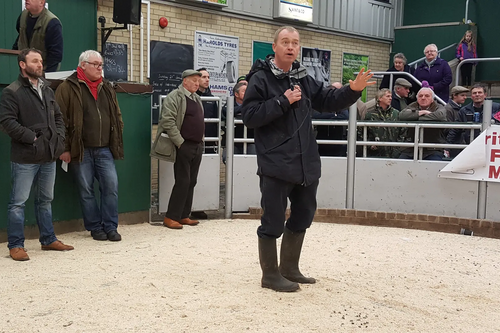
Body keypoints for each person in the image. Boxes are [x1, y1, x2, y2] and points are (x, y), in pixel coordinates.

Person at [240, 26, 374, 292]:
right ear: (275, 47)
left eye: (295, 43)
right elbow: (250, 116)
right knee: (273, 221)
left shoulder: (303, 77)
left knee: (303, 216)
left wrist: (352, 90)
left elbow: (327, 99)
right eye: (286, 42)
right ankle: (270, 275)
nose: (291, 47)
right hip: (276, 164)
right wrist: (282, 101)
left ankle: (289, 268)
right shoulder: (260, 79)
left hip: (306, 165)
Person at [0, 48, 73, 261]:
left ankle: (48, 239)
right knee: (18, 202)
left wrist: (58, 138)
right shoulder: (12, 91)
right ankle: (15, 245)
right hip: (25, 157)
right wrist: (32, 138)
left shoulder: (48, 90)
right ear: (23, 64)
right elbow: (7, 122)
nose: (40, 65)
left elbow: (58, 117)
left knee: (45, 200)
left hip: (49, 156)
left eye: (41, 61)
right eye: (35, 61)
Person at [55, 50, 124, 242]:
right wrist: (65, 148)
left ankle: (111, 226)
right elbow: (60, 119)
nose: (100, 68)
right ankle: (95, 227)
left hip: (104, 149)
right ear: (83, 65)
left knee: (111, 186)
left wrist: (116, 139)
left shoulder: (107, 87)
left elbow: (117, 116)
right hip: (80, 149)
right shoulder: (67, 87)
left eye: (101, 65)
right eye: (96, 64)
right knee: (86, 190)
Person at [151, 69, 204, 230]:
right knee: (183, 181)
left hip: (196, 145)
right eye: (193, 80)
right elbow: (168, 121)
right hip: (184, 145)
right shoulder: (175, 97)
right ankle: (171, 217)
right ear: (184, 81)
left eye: (198, 80)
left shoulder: (196, 98)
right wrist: (180, 142)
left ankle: (183, 215)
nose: (197, 83)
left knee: (191, 181)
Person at [192, 68, 218, 220]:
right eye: (203, 77)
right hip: (194, 141)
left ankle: (200, 206)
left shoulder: (212, 99)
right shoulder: (191, 97)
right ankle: (190, 207)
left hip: (208, 142)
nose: (207, 79)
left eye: (208, 77)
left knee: (205, 172)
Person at [12, 0, 63, 73]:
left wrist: (46, 76)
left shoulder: (52, 23)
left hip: (41, 72)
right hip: (23, 70)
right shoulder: (23, 16)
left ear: (42, 2)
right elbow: (20, 37)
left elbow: (55, 55)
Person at [399, 87, 447, 160]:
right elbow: (402, 115)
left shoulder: (439, 107)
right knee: (399, 166)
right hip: (410, 149)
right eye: (420, 96)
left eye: (427, 96)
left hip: (433, 149)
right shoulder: (412, 105)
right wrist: (422, 112)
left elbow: (440, 116)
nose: (423, 98)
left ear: (432, 99)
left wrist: (414, 118)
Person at [365, 89, 405, 158]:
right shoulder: (370, 114)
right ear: (380, 98)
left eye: (391, 96)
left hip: (394, 154)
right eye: (387, 96)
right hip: (375, 154)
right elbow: (363, 132)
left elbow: (403, 131)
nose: (390, 98)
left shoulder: (396, 113)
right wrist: (370, 145)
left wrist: (398, 148)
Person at [444, 85, 469, 158]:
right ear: (454, 95)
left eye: (465, 95)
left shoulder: (459, 108)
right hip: (453, 145)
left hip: (457, 143)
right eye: (462, 95)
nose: (465, 97)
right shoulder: (448, 109)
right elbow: (447, 128)